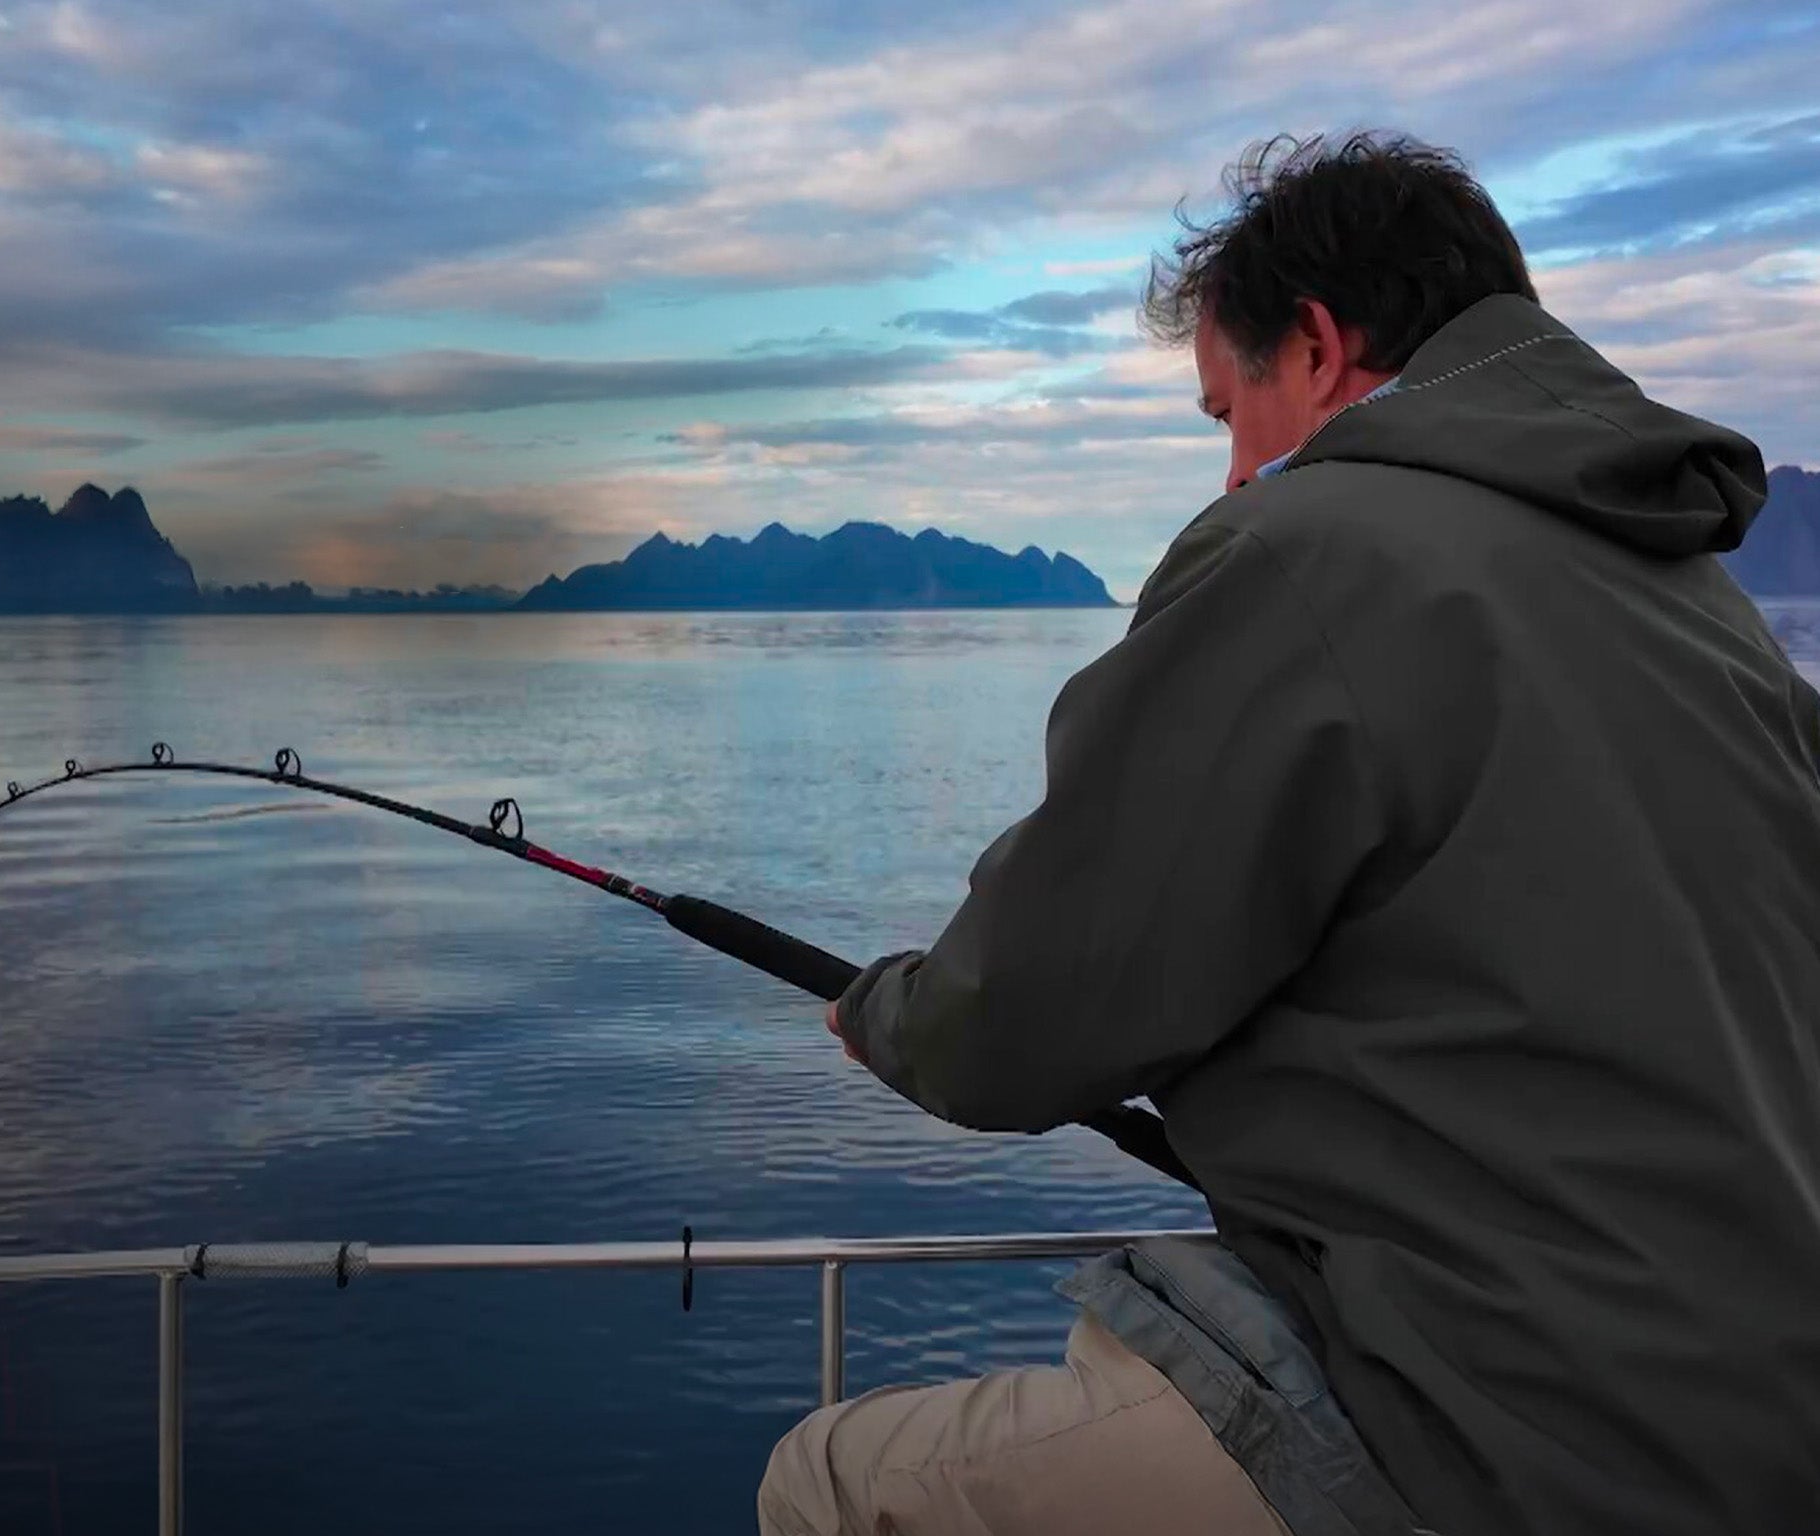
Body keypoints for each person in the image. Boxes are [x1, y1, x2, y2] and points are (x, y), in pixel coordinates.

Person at [758, 130, 1820, 1536]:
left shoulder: (1311, 549)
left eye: (1223, 415)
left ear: (1317, 347)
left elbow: (1025, 1013)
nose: (1229, 474)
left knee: (826, 1482)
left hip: (1506, 1434)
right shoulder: (1706, 606)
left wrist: (887, 1014)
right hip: (1764, 1419)